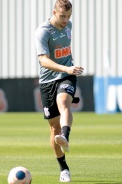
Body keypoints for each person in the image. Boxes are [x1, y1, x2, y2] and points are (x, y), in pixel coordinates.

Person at [35, 0, 84, 182]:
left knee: (63, 103)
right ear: (54, 12)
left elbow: (66, 52)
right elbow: (43, 61)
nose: (66, 20)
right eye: (62, 16)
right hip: (48, 81)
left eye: (69, 16)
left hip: (67, 75)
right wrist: (65, 69)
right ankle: (63, 167)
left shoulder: (68, 25)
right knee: (53, 128)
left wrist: (69, 68)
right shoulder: (43, 32)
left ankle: (65, 136)